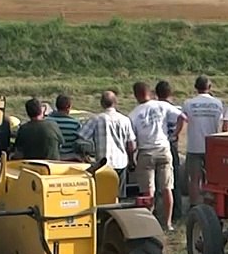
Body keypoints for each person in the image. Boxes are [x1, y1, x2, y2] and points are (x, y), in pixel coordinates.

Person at [128, 81, 183, 230]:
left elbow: (131, 142)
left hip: (146, 152)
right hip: (164, 149)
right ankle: (168, 223)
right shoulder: (161, 106)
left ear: (136, 95)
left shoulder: (133, 114)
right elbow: (182, 116)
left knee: (148, 191)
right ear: (150, 92)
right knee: (167, 188)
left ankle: (149, 224)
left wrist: (131, 158)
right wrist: (175, 134)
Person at [79, 90, 136, 199]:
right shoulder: (125, 120)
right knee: (119, 195)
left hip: (103, 164)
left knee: (103, 195)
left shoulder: (96, 119)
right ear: (115, 102)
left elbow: (82, 137)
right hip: (121, 163)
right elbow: (131, 144)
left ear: (102, 103)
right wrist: (132, 160)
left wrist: (85, 156)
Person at [181, 75, 224, 204]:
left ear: (196, 88)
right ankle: (209, 204)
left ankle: (194, 205)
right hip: (212, 146)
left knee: (194, 179)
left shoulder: (188, 103)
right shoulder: (218, 103)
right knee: (212, 179)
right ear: (210, 87)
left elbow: (184, 120)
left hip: (194, 146)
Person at [155, 81, 186, 224]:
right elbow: (183, 117)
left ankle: (158, 209)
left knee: (158, 180)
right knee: (174, 180)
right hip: (171, 143)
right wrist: (176, 133)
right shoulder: (175, 108)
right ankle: (177, 211)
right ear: (171, 94)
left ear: (156, 94)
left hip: (159, 144)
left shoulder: (154, 108)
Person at [49, 94, 83, 161]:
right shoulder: (75, 124)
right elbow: (80, 142)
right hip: (71, 158)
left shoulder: (47, 121)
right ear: (68, 107)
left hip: (52, 158)